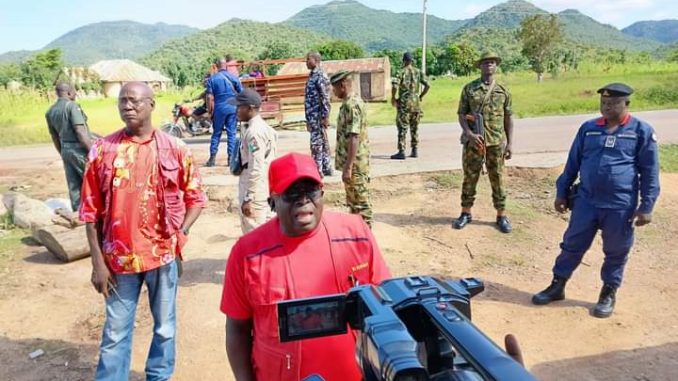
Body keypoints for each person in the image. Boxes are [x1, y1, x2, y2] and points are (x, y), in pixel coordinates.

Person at [220, 152, 391, 381]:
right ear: (273, 201)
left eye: (310, 190)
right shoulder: (247, 253)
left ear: (322, 194)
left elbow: (386, 304)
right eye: (292, 193)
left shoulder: (356, 233)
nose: (303, 200)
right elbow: (237, 328)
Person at [80, 82, 206, 380]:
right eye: (122, 101)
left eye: (135, 101)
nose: (128, 106)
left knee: (164, 328)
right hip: (118, 262)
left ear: (151, 104)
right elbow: (89, 211)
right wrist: (97, 262)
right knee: (115, 332)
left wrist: (180, 235)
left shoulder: (175, 148)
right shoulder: (103, 149)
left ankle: (158, 376)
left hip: (162, 257)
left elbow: (196, 198)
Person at [532, 83, 659, 318]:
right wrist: (562, 191)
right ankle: (557, 285)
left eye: (612, 103)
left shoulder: (641, 131)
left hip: (620, 205)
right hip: (586, 202)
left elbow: (650, 172)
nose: (606, 107)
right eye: (603, 103)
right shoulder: (589, 129)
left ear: (626, 104)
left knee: (616, 251)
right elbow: (573, 163)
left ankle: (608, 293)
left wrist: (647, 206)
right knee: (572, 245)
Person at [454, 52, 514, 234]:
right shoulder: (469, 89)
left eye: (492, 62)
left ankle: (501, 215)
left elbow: (508, 118)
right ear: (480, 66)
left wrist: (510, 143)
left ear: (496, 66)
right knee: (470, 178)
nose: (489, 65)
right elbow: (461, 114)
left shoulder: (503, 91)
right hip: (474, 143)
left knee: (498, 179)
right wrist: (469, 133)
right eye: (485, 62)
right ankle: (466, 213)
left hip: (496, 143)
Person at [229, 89, 278, 234]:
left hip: (256, 188)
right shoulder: (264, 128)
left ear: (250, 108)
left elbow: (256, 166)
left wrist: (249, 197)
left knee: (254, 229)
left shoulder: (254, 133)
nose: (236, 110)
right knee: (268, 229)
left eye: (239, 107)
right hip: (265, 184)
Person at [330, 70, 373, 226]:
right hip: (352, 164)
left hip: (355, 166)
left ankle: (367, 241)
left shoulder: (352, 105)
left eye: (334, 88)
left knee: (361, 204)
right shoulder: (347, 103)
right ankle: (358, 238)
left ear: (342, 85)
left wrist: (348, 167)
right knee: (353, 204)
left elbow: (354, 137)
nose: (333, 92)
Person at [46, 82, 93, 212]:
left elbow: (55, 137)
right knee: (91, 181)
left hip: (65, 149)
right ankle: (95, 216)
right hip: (79, 149)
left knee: (74, 185)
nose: (75, 94)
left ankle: (78, 214)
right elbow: (80, 131)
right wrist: (93, 152)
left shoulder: (50, 111)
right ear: (69, 92)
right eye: (74, 91)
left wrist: (63, 153)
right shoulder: (72, 107)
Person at [390, 51, 430, 160]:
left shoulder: (401, 72)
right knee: (415, 127)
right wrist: (420, 96)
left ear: (403, 61)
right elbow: (428, 85)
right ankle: (414, 150)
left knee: (402, 127)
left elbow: (394, 85)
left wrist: (393, 98)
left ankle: (401, 151)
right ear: (412, 61)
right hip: (416, 104)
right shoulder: (418, 72)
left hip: (404, 104)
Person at [206, 57, 243, 167]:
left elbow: (209, 98)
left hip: (219, 109)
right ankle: (230, 159)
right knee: (231, 134)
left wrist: (210, 112)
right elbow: (241, 93)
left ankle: (212, 159)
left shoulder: (212, 79)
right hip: (232, 108)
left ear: (216, 66)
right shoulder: (233, 77)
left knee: (216, 134)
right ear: (225, 66)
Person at [304, 51, 333, 177]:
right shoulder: (312, 75)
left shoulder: (320, 75)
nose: (306, 62)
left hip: (318, 116)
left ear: (315, 60)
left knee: (316, 143)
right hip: (313, 116)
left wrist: (326, 116)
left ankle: (317, 170)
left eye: (308, 59)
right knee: (323, 141)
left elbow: (325, 97)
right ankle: (326, 167)